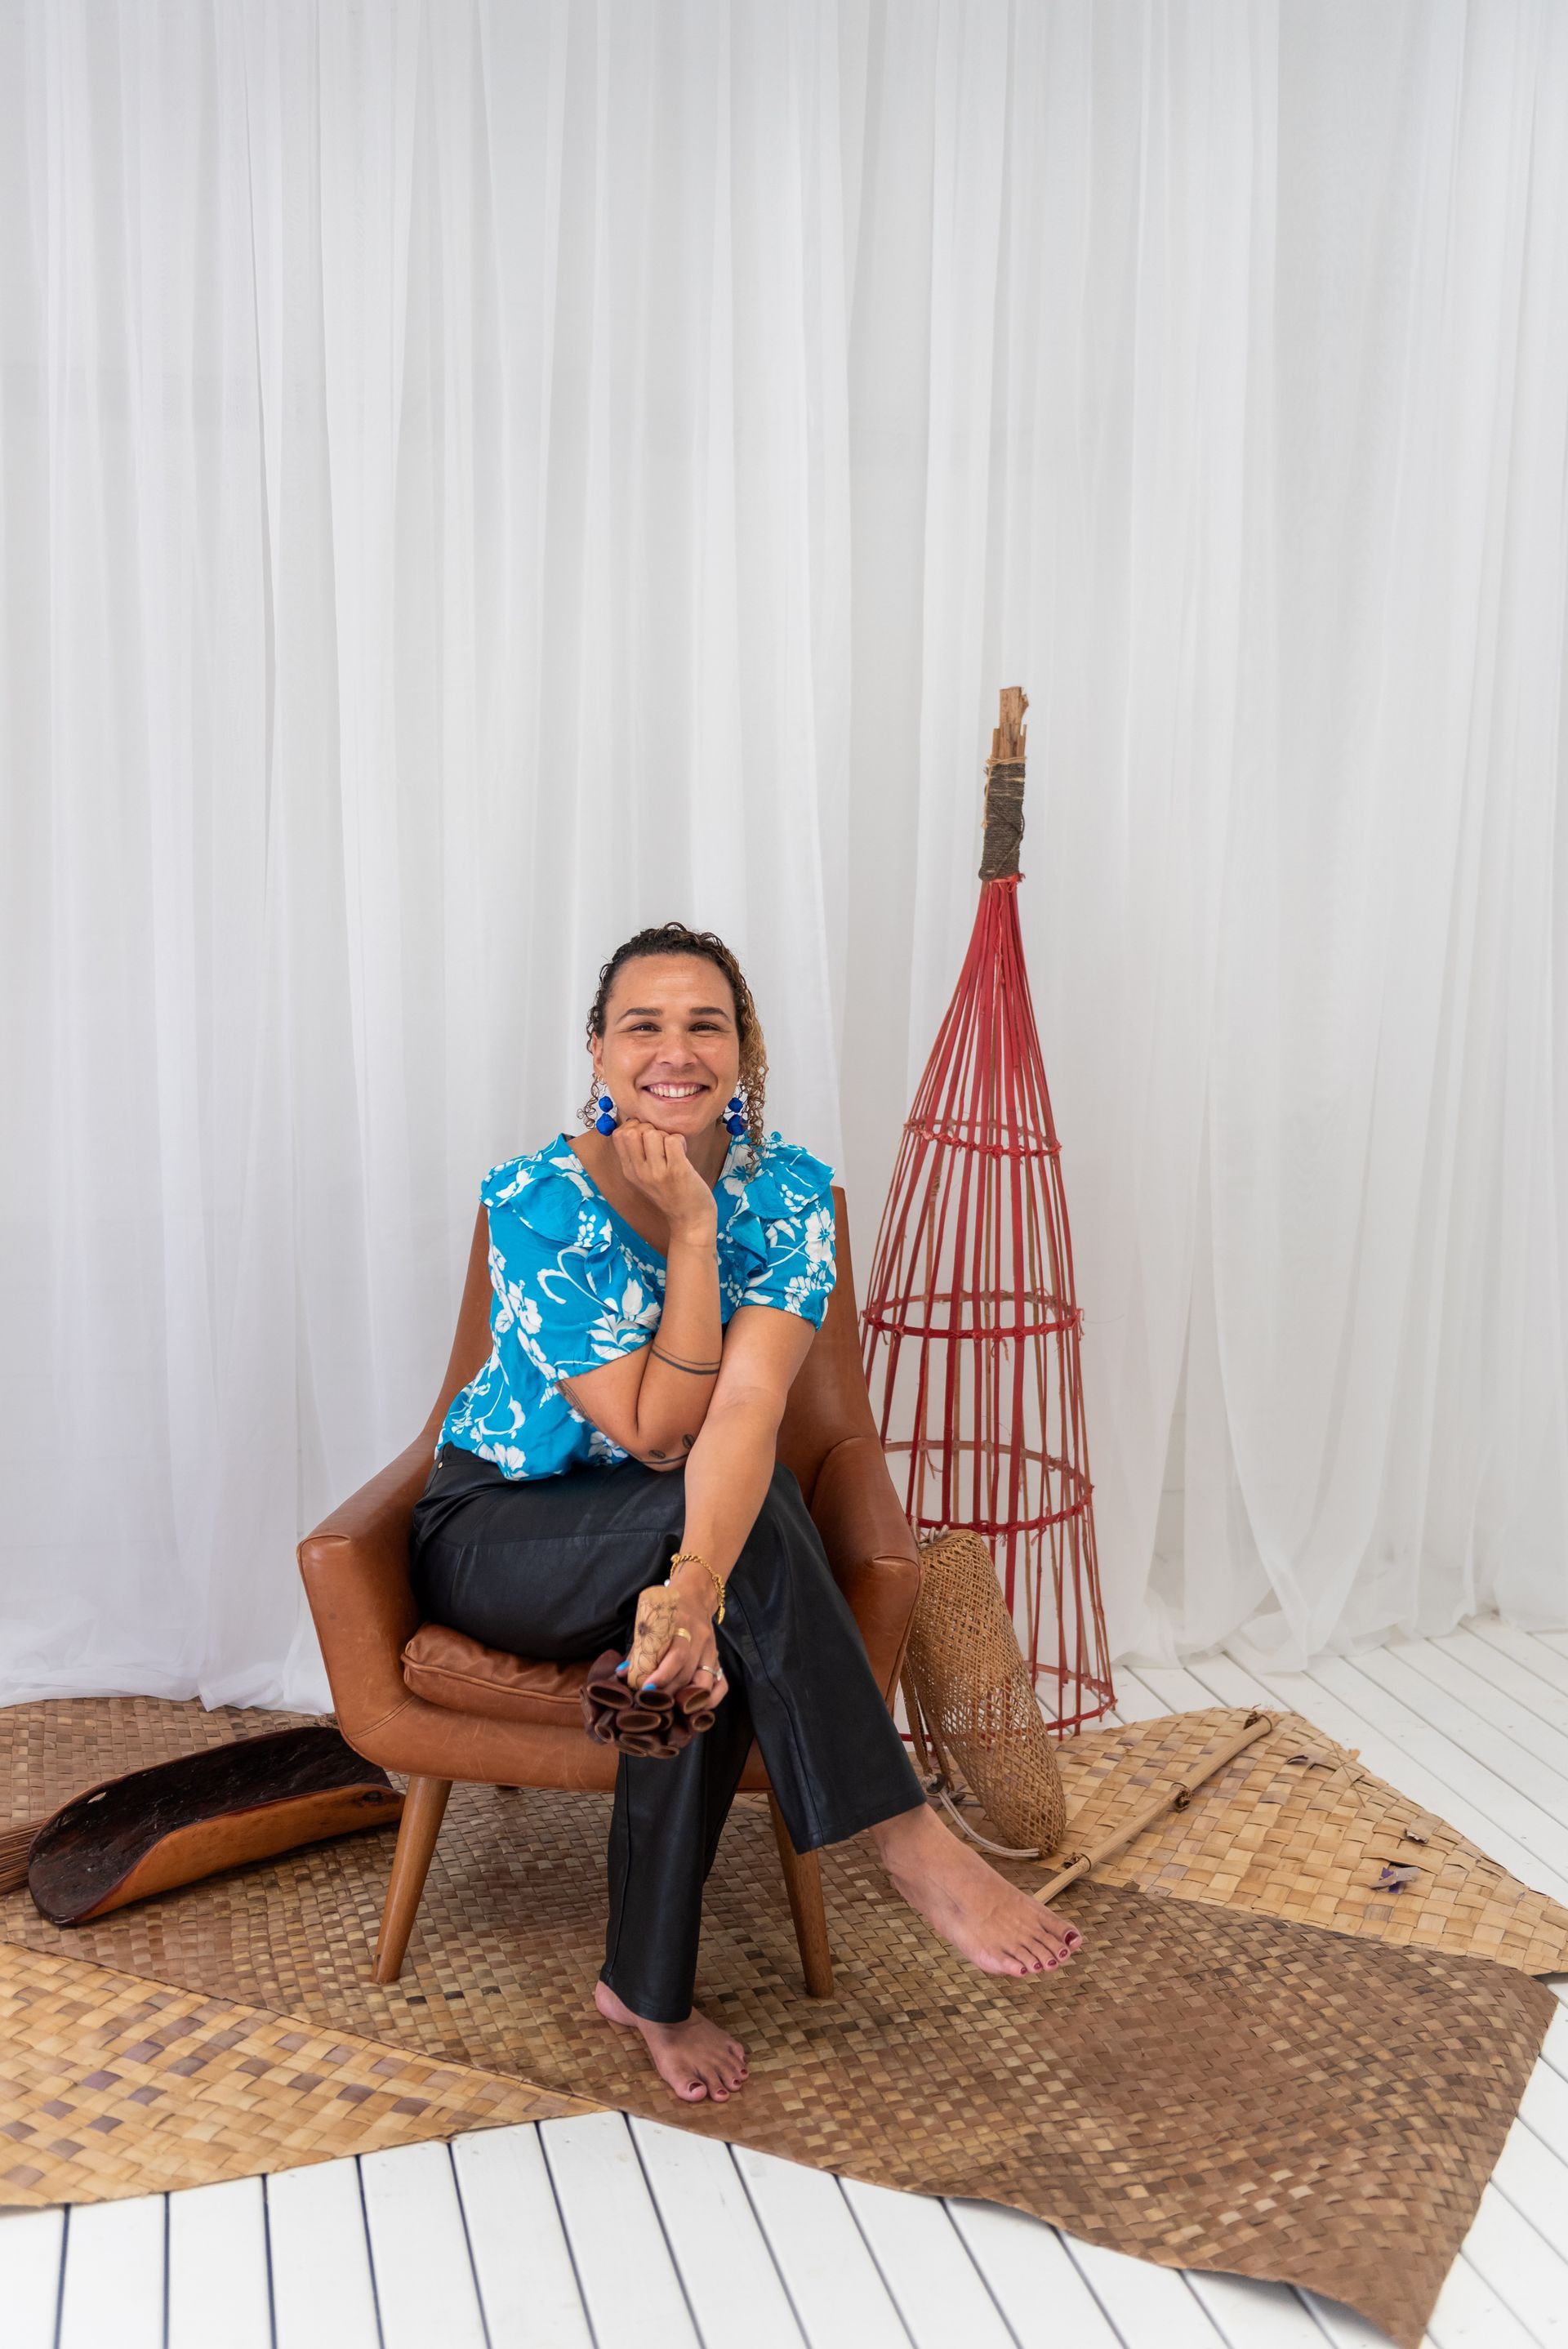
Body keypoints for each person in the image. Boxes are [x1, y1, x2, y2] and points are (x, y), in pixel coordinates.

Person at [409, 920, 1083, 2106]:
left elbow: (749, 1405)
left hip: (666, 1526)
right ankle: (908, 1840)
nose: (675, 1049)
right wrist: (692, 1232)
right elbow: (658, 1429)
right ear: (600, 1050)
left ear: (744, 1049)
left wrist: (693, 1595)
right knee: (733, 1531)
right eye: (643, 1024)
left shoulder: (794, 1197)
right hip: (504, 1532)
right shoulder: (534, 1202)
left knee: (695, 1633)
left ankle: (643, 1987)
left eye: (704, 1023)